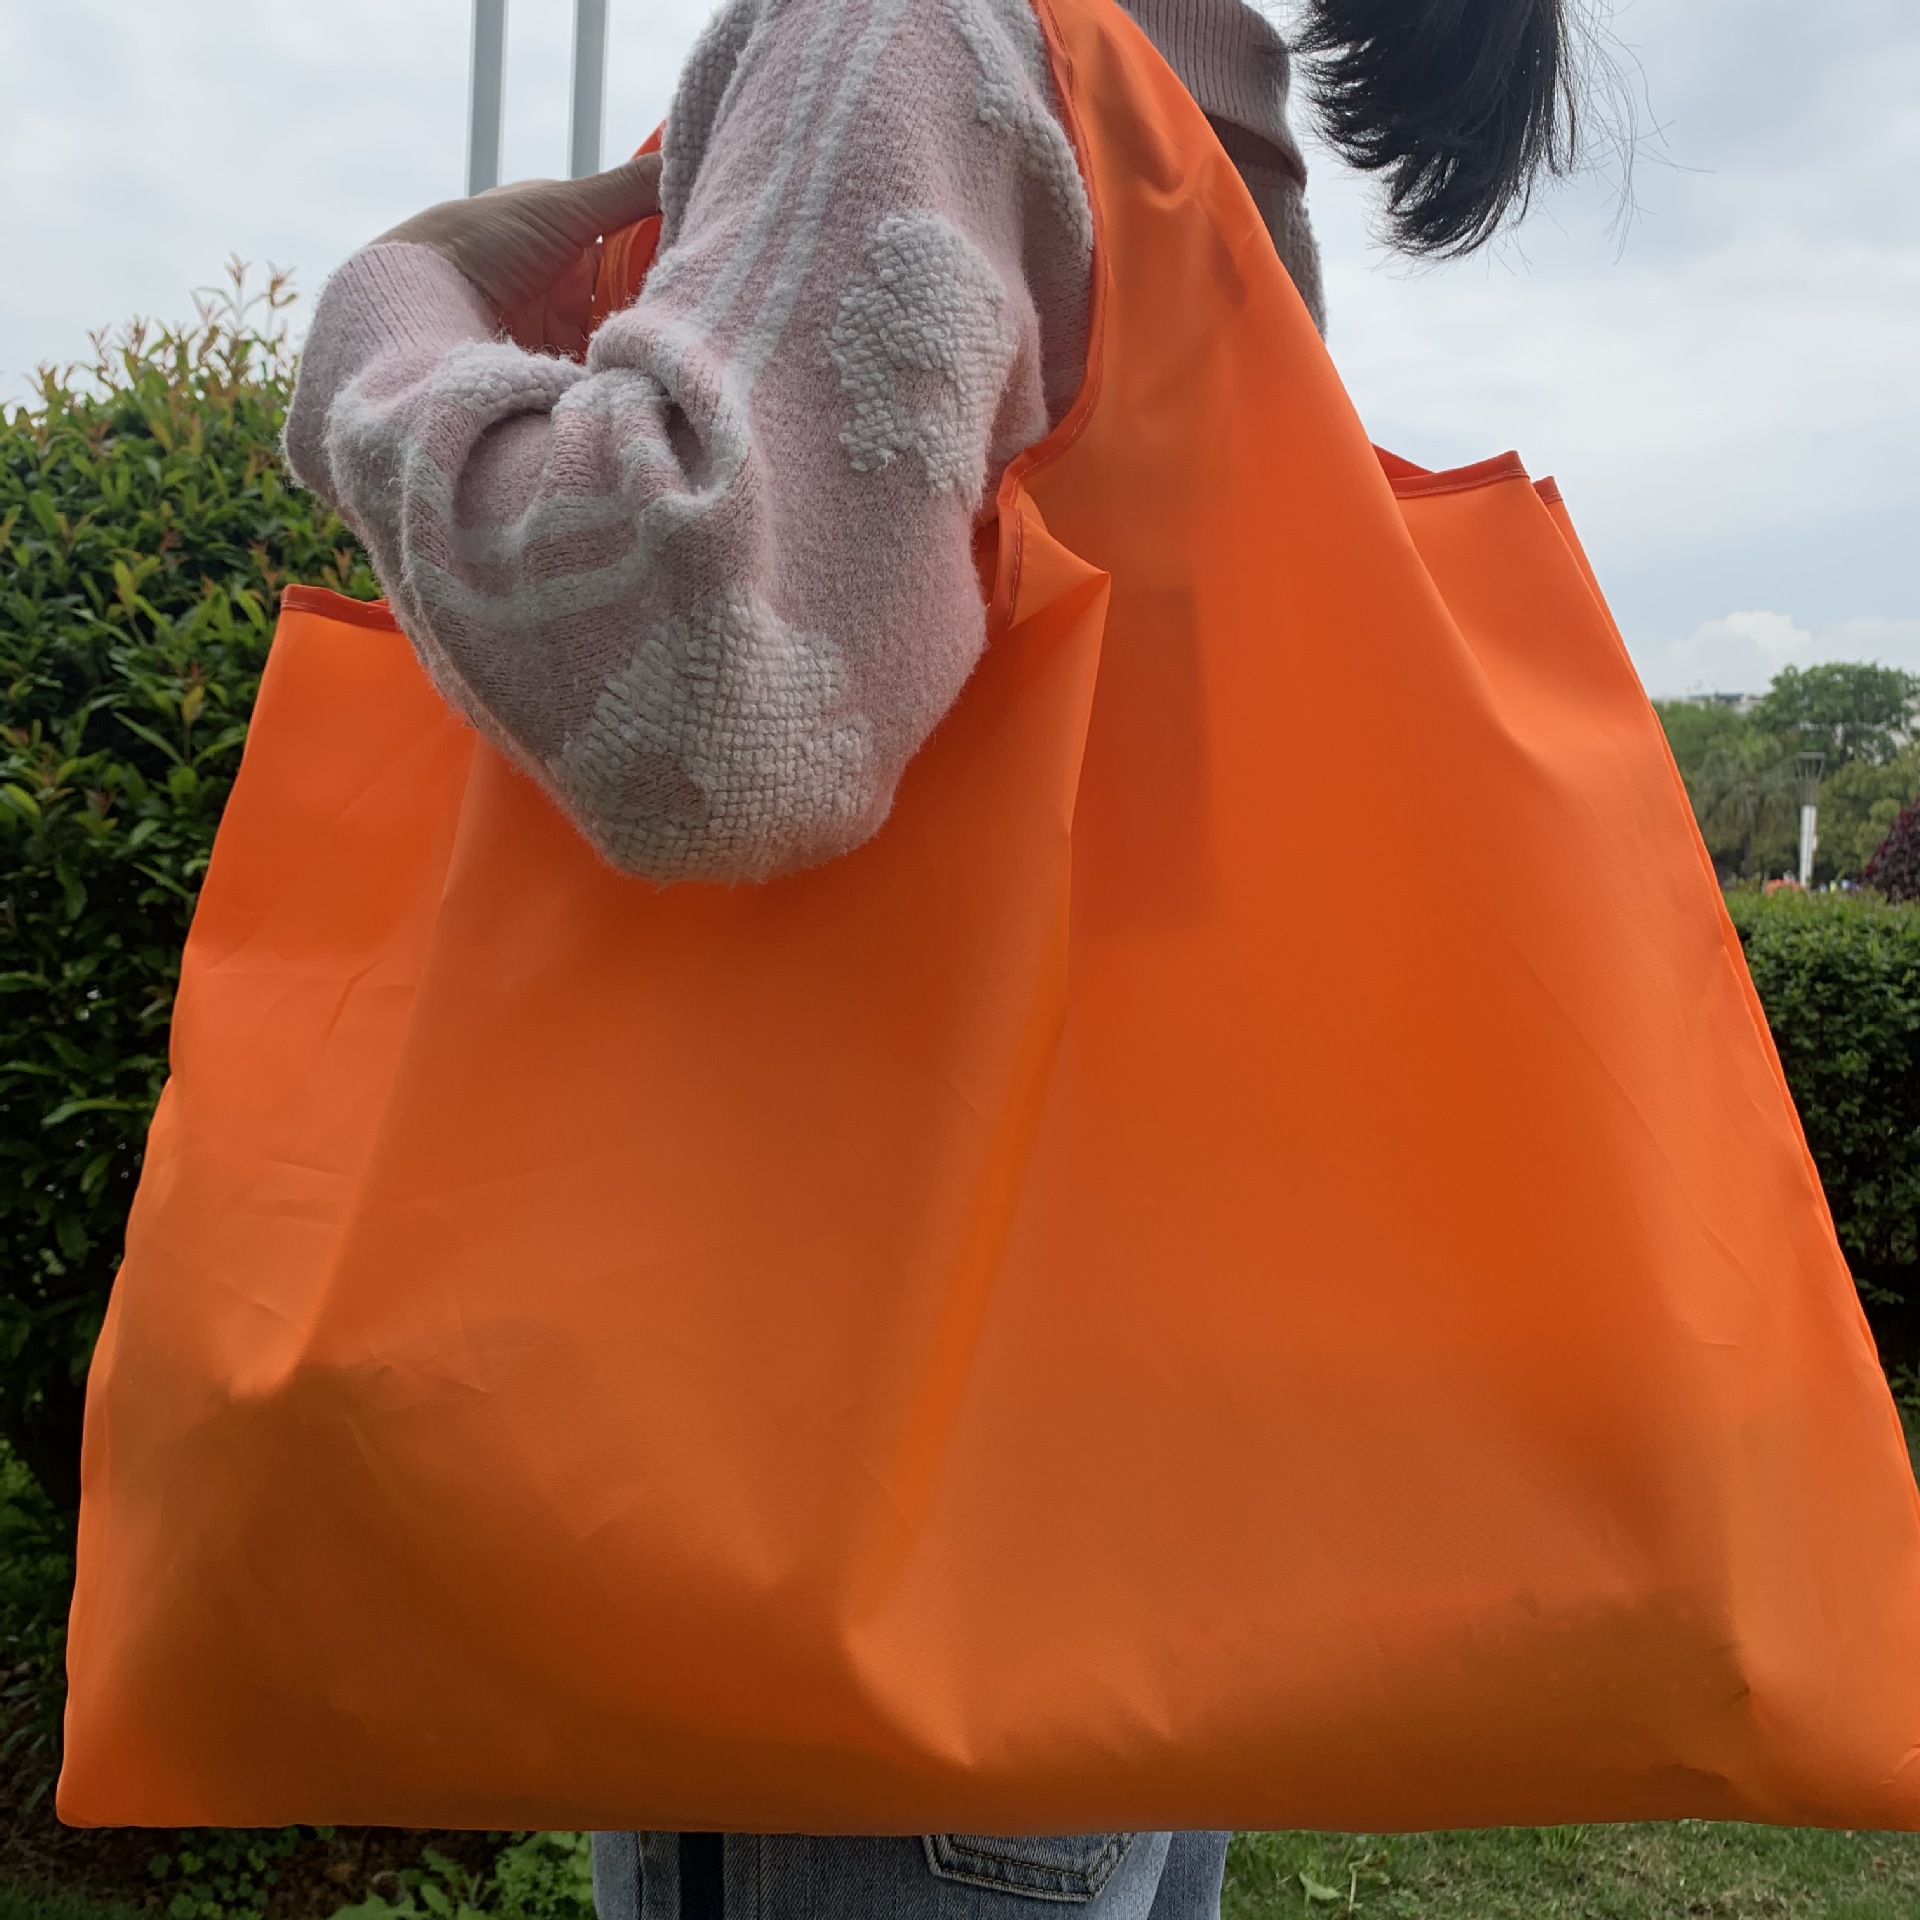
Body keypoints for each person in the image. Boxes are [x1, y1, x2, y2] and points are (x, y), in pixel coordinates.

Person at [282, 0, 1587, 1912]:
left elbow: (703, 691)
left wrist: (392, 318)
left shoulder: (924, 33)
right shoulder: (1186, 118)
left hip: (849, 1497)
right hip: (1102, 1484)